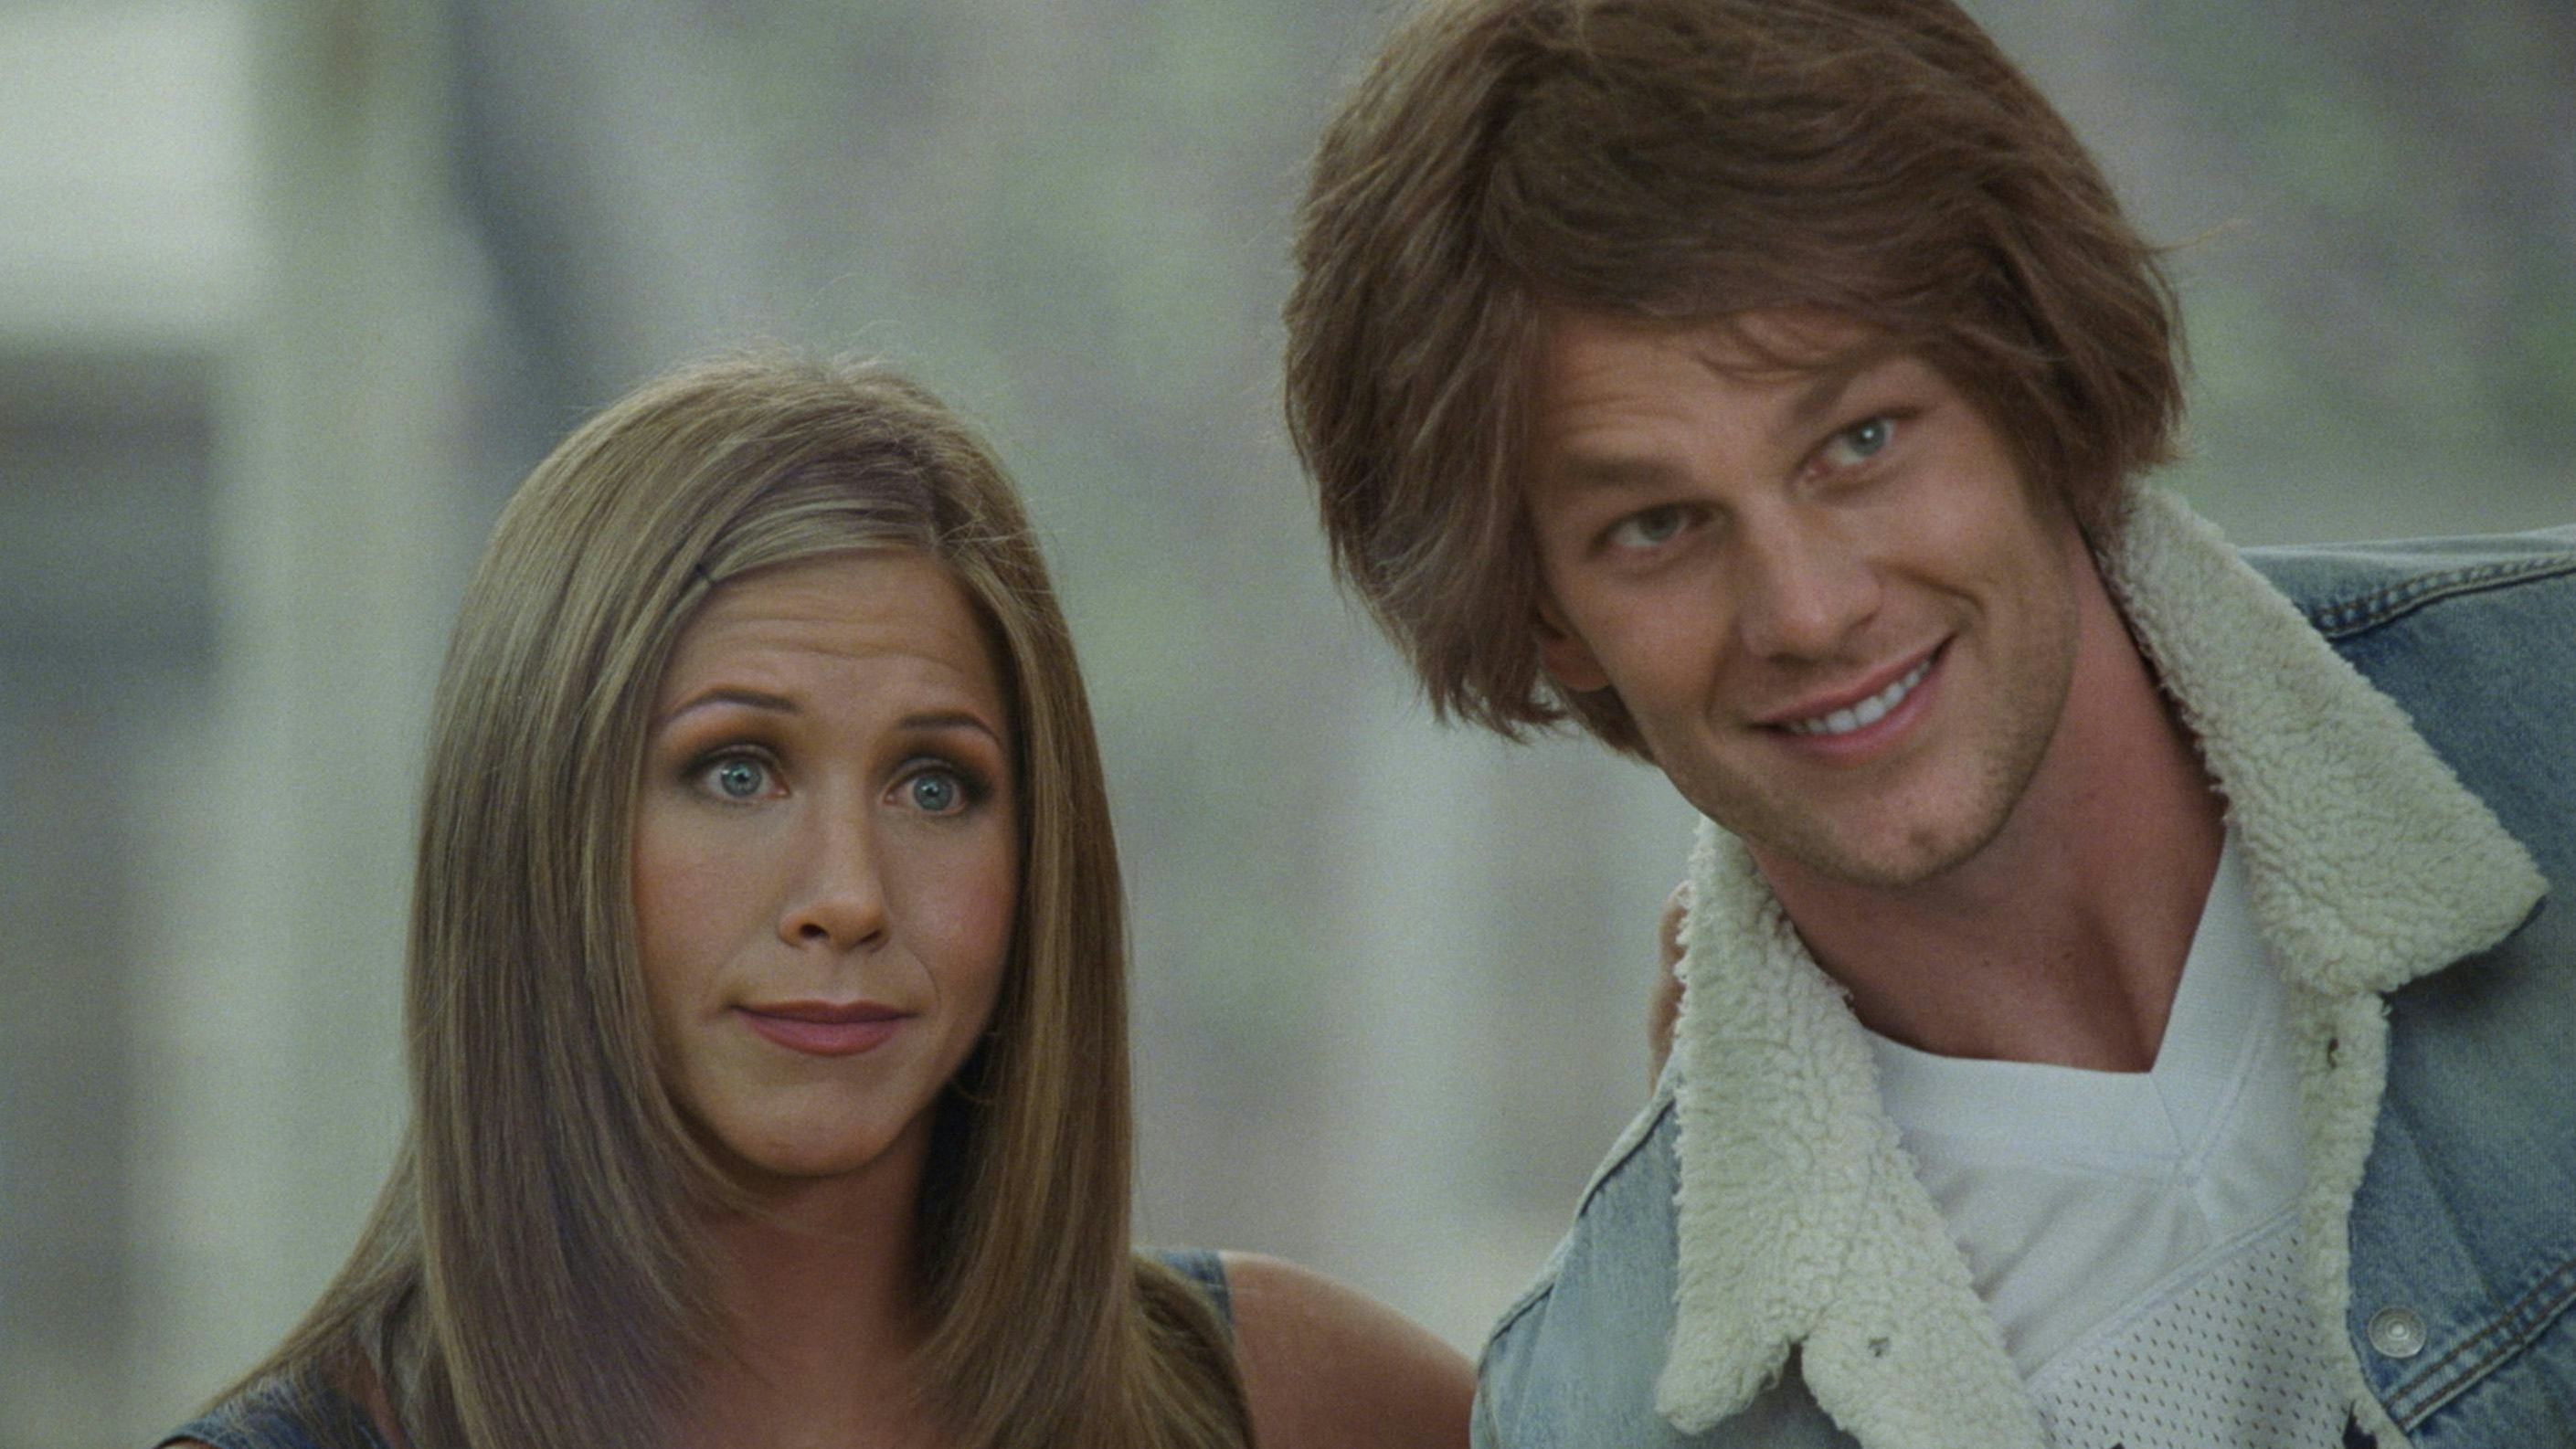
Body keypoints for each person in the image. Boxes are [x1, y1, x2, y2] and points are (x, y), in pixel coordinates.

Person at [1283, 2, 2576, 1445]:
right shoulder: (1600, 1406)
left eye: (1861, 440)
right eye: (1656, 525)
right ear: (1548, 618)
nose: (1806, 608)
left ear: (2031, 368)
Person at [160, 354, 1472, 1449]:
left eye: (935, 786)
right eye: (737, 771)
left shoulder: (1300, 1405)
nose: (848, 897)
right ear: (536, 832)